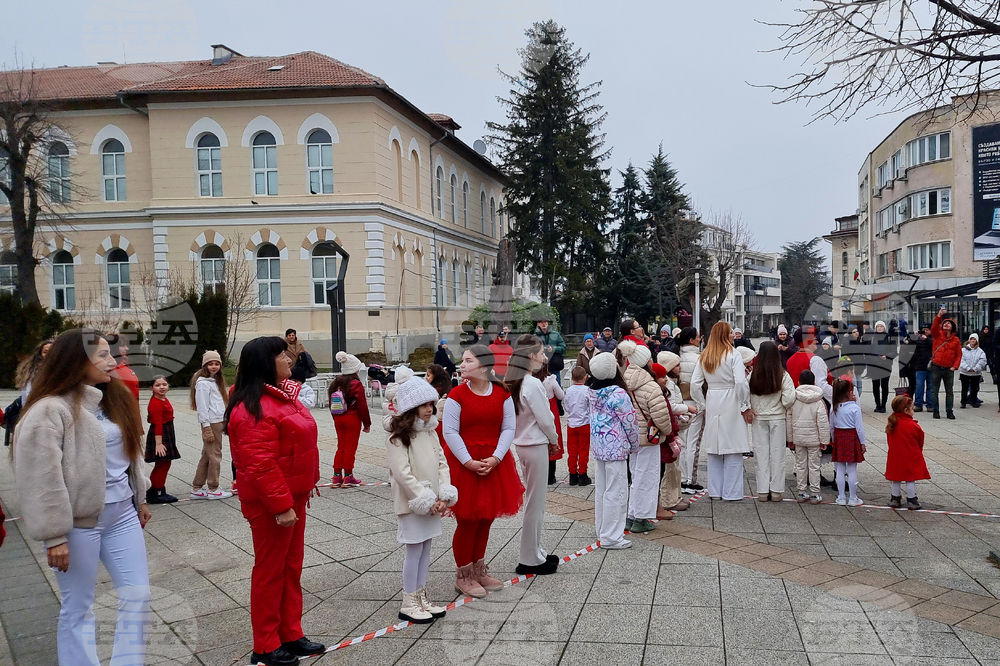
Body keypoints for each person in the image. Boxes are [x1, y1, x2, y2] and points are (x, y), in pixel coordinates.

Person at [14, 328, 152, 666]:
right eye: (101, 355)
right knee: (78, 605)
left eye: (110, 353)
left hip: (122, 514)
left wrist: (141, 496)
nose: (112, 360)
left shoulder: (113, 397)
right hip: (77, 522)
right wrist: (53, 535)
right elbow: (40, 477)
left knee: (138, 595)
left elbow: (131, 455)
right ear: (76, 361)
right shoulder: (48, 409)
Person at [226, 336, 325, 666]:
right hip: (272, 505)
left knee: (291, 568)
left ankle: (291, 632)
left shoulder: (283, 396)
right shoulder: (251, 407)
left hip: (293, 497)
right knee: (270, 571)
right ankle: (266, 643)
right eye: (281, 354)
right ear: (264, 363)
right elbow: (259, 463)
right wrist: (281, 505)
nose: (288, 358)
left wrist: (304, 484)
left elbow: (298, 444)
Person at [442, 345, 524, 596]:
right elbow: (449, 432)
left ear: (484, 366)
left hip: (494, 462)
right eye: (463, 360)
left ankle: (479, 570)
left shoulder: (502, 393)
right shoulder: (457, 394)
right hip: (465, 463)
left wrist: (497, 457)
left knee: (486, 519)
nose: (462, 364)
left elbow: (509, 428)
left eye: (468, 360)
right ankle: (463, 574)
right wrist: (467, 461)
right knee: (467, 520)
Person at [385, 373, 458, 623]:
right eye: (425, 405)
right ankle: (409, 600)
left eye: (432, 404)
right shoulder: (397, 438)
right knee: (414, 550)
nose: (431, 409)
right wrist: (424, 498)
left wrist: (443, 494)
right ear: (411, 407)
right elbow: (402, 474)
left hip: (433, 503)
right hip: (413, 504)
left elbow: (442, 464)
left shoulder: (430, 433)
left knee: (426, 549)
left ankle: (421, 595)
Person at [504, 336, 561, 575]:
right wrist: (555, 440)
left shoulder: (516, 380)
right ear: (530, 356)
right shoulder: (531, 383)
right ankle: (529, 557)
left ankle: (535, 552)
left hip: (524, 443)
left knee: (533, 501)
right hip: (534, 442)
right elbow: (545, 419)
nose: (543, 357)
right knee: (535, 503)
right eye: (540, 353)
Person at [691, 321, 753, 502]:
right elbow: (741, 383)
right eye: (731, 332)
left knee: (714, 448)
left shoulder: (705, 356)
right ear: (725, 335)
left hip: (712, 399)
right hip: (731, 399)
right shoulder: (733, 354)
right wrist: (745, 404)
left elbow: (695, 384)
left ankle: (715, 491)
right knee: (732, 448)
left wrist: (702, 404)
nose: (734, 334)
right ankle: (732, 492)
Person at [587, 352, 640, 550]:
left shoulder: (591, 392)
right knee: (616, 492)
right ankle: (612, 536)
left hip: (599, 447)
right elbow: (630, 423)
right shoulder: (618, 394)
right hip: (616, 448)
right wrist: (634, 445)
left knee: (602, 490)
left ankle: (602, 529)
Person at [620, 339, 673, 532]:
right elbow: (661, 416)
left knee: (635, 476)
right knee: (648, 477)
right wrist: (666, 432)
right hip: (650, 439)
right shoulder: (650, 386)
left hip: (632, 437)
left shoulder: (625, 382)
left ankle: (631, 514)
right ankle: (641, 519)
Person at [748, 341, 796, 502]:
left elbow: (743, 393)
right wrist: (780, 404)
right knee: (777, 455)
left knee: (761, 455)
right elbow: (789, 399)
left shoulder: (752, 374)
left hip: (758, 417)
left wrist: (751, 406)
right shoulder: (782, 374)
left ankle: (762, 491)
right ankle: (776, 491)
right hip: (777, 418)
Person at [655, 352, 695, 518]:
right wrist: (686, 409)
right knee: (671, 467)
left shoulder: (672, 383)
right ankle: (669, 499)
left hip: (676, 428)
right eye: (677, 365)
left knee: (675, 466)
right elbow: (670, 406)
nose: (680, 368)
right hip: (671, 431)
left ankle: (675, 496)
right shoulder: (668, 385)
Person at [190, 350, 232, 500]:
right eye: (210, 364)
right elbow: (202, 407)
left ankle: (197, 487)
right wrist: (206, 427)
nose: (214, 367)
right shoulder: (202, 383)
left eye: (217, 364)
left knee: (207, 455)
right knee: (215, 455)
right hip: (212, 423)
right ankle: (213, 488)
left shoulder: (214, 381)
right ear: (204, 366)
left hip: (217, 421)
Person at [329, 351, 371, 487]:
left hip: (338, 418)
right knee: (350, 447)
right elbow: (362, 406)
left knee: (341, 446)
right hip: (352, 418)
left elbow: (331, 402)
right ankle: (348, 476)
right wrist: (367, 423)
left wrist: (335, 417)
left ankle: (336, 476)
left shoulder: (336, 382)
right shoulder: (356, 384)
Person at [786, 369, 829, 504]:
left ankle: (801, 492)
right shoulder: (819, 401)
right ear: (814, 382)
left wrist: (790, 439)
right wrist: (824, 440)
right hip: (814, 439)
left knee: (800, 465)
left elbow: (789, 420)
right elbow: (823, 422)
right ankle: (815, 493)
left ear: (798, 382)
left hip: (798, 438)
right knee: (814, 465)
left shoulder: (794, 399)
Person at [884, 395, 930, 509]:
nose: (913, 410)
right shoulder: (913, 425)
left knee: (896, 478)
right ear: (906, 410)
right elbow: (920, 439)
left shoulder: (891, 424)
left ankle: (895, 498)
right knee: (910, 479)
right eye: (912, 408)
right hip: (910, 455)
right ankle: (912, 500)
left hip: (895, 455)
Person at [829, 378, 866, 507]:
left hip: (839, 437)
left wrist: (834, 440)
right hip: (851, 437)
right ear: (847, 392)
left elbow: (832, 427)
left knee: (839, 468)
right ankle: (853, 497)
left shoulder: (834, 408)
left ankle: (840, 496)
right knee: (852, 469)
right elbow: (859, 428)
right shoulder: (855, 408)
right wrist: (862, 443)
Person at [677, 327, 705, 494]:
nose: (700, 339)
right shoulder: (700, 359)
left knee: (682, 442)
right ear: (691, 340)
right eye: (697, 337)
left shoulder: (677, 356)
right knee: (693, 443)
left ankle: (681, 478)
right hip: (695, 402)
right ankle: (690, 481)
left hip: (680, 403)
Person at [146, 375, 181, 504]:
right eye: (157, 385)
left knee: (163, 463)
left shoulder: (162, 399)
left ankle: (154, 490)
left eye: (164, 384)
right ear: (151, 388)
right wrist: (159, 443)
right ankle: (158, 492)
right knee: (163, 463)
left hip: (166, 431)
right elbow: (158, 423)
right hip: (160, 433)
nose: (162, 387)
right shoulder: (156, 403)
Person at [930, 307, 962, 420]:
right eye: (945, 323)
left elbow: (959, 354)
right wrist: (939, 316)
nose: (946, 324)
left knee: (949, 391)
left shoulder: (956, 340)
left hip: (949, 369)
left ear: (953, 327)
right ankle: (936, 410)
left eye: (949, 323)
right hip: (936, 367)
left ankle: (949, 411)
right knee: (934, 391)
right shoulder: (937, 335)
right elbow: (934, 327)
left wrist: (955, 366)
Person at [786, 326, 833, 403]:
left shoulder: (790, 360)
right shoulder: (815, 360)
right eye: (815, 339)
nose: (817, 342)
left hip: (796, 401)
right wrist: (837, 397)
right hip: (814, 402)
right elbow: (821, 385)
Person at [563, 365, 593, 486]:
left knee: (572, 450)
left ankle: (572, 474)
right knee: (583, 450)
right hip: (584, 423)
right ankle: (583, 474)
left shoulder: (569, 390)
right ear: (585, 377)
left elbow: (566, 406)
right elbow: (591, 407)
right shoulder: (587, 391)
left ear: (572, 378)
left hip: (571, 423)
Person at [538, 361, 565, 484]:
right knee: (553, 437)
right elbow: (560, 395)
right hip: (551, 408)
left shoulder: (532, 381)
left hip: (537, 409)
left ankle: (541, 474)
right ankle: (551, 476)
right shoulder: (550, 380)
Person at [870, 321, 894, 413]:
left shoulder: (889, 338)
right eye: (878, 326)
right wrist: (874, 359)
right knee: (875, 386)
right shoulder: (872, 338)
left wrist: (887, 356)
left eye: (881, 326)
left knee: (884, 385)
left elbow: (894, 351)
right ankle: (877, 404)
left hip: (886, 365)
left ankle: (883, 405)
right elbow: (868, 352)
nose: (879, 328)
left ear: (884, 327)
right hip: (874, 365)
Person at [107, 334, 140, 402]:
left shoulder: (124, 362)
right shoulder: (110, 367)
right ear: (114, 347)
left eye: (126, 345)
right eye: (122, 346)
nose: (127, 348)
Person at [960, 333, 988, 408]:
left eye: (974, 339)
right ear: (969, 340)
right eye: (971, 339)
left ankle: (974, 401)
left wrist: (976, 368)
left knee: (974, 388)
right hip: (965, 373)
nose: (973, 341)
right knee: (964, 388)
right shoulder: (963, 350)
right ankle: (963, 402)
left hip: (976, 373)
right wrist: (967, 368)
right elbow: (961, 360)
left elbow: (983, 361)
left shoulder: (980, 351)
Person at [535, 316, 567, 381]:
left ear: (548, 323)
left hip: (554, 366)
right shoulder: (535, 337)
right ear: (538, 324)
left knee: (556, 387)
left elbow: (563, 347)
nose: (544, 324)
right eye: (541, 322)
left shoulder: (556, 334)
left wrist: (553, 349)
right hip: (541, 368)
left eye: (545, 322)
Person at [910, 322, 933, 412]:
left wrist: (926, 339)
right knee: (919, 386)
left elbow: (934, 345)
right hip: (919, 366)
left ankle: (930, 404)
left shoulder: (933, 338)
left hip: (931, 366)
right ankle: (918, 404)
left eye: (927, 330)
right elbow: (910, 347)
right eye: (924, 330)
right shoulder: (918, 339)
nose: (926, 332)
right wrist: (913, 337)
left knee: (930, 387)